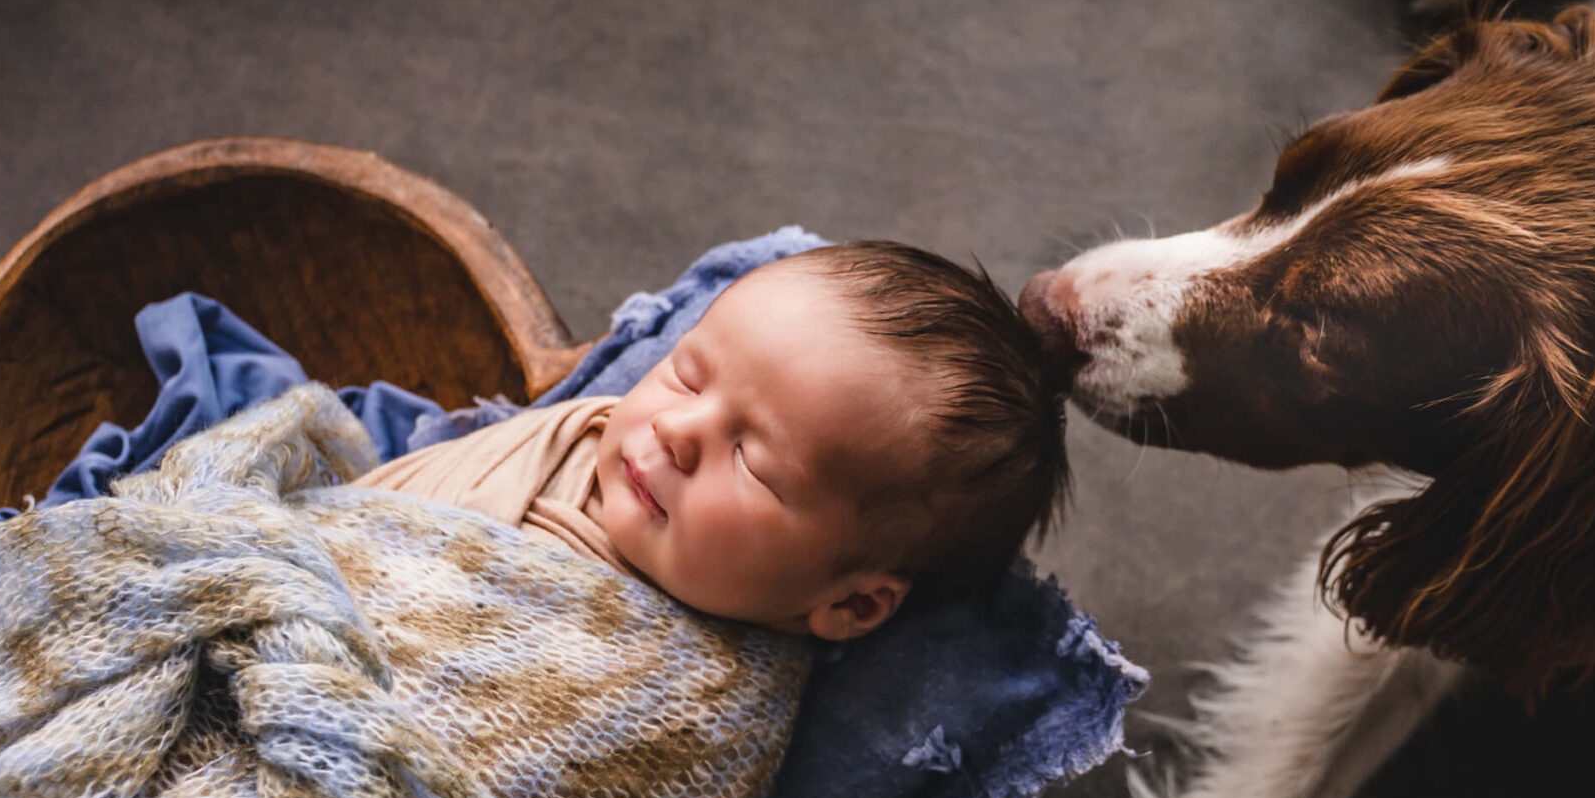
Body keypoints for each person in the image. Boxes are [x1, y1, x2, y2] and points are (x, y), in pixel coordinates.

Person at [359, 241, 1070, 637]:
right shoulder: (580, 439)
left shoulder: (666, 709)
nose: (675, 430)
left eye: (752, 463)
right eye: (688, 375)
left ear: (851, 603)